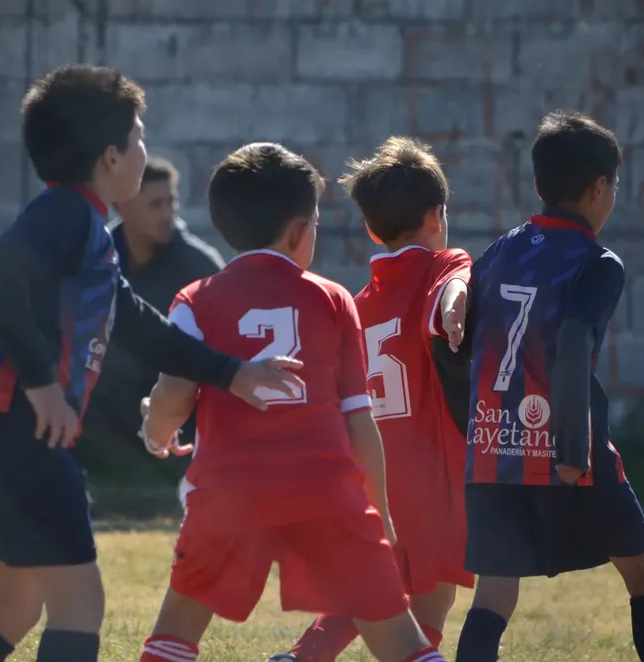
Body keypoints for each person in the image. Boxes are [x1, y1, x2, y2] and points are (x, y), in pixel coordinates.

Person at [0, 65, 303, 662]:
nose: (145, 150)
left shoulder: (85, 234)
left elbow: (139, 326)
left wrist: (234, 373)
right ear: (110, 157)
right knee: (80, 605)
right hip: (15, 433)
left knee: (14, 603)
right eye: (139, 139)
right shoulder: (68, 215)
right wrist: (45, 386)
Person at [136, 142, 446, 662]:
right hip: (325, 492)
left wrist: (155, 433)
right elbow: (359, 423)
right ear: (300, 232)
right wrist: (382, 518)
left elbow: (172, 395)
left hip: (230, 494)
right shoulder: (333, 300)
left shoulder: (195, 299)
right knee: (401, 641)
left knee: (175, 636)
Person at [453, 111, 644, 662]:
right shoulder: (598, 262)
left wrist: (475, 428)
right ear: (600, 187)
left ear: (538, 184)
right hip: (565, 448)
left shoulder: (502, 248)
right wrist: (572, 451)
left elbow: (455, 342)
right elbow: (576, 339)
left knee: (495, 588)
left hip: (494, 449)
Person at [270, 137, 475, 662]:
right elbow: (458, 283)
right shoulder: (443, 266)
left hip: (374, 469)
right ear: (437, 216)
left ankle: (301, 658)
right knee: (432, 600)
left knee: (369, 586)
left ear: (369, 227)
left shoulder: (357, 304)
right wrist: (457, 303)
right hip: (431, 478)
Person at [82, 157, 224, 466]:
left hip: (174, 401)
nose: (167, 214)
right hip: (102, 402)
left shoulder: (198, 265)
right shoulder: (96, 256)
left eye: (170, 202)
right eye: (155, 205)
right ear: (122, 207)